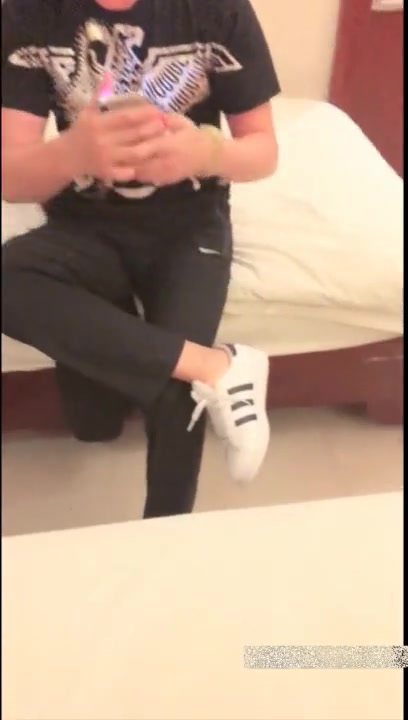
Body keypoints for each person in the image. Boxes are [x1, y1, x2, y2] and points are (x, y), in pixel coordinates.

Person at [2, 0, 281, 518]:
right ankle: (217, 366)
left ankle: (165, 538)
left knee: (180, 397)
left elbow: (264, 150)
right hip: (82, 224)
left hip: (189, 224)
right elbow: (11, 177)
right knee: (104, 412)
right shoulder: (27, 12)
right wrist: (73, 152)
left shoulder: (217, 10)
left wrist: (205, 153)